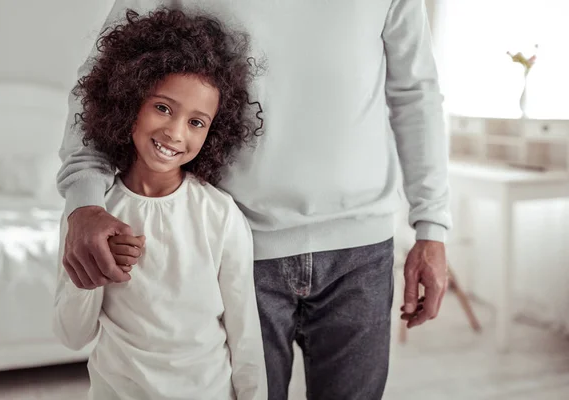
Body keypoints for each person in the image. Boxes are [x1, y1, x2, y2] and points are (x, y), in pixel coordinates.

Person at [58, 1, 452, 399]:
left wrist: (432, 225)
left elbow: (416, 92)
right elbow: (99, 79)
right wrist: (84, 200)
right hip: (240, 245)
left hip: (361, 252)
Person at [53, 8, 267, 399]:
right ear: (129, 100)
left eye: (196, 122)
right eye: (163, 108)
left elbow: (245, 336)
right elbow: (71, 334)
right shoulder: (90, 216)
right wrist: (98, 270)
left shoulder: (220, 215)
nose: (174, 132)